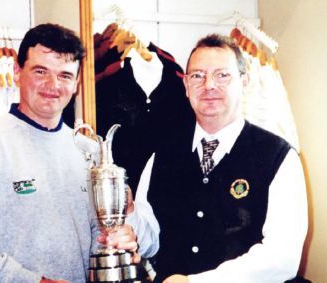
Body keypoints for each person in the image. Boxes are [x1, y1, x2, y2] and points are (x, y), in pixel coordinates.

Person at [0, 23, 138, 283]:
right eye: (40, 71)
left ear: (77, 83)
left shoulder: (89, 153)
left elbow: (98, 241)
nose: (52, 84)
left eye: (65, 75)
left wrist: (119, 242)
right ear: (17, 72)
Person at [126, 34, 308, 283]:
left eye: (222, 75)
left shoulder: (279, 157)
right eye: (198, 76)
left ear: (244, 82)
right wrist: (129, 214)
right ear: (186, 86)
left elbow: (282, 258)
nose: (209, 85)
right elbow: (151, 243)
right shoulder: (161, 156)